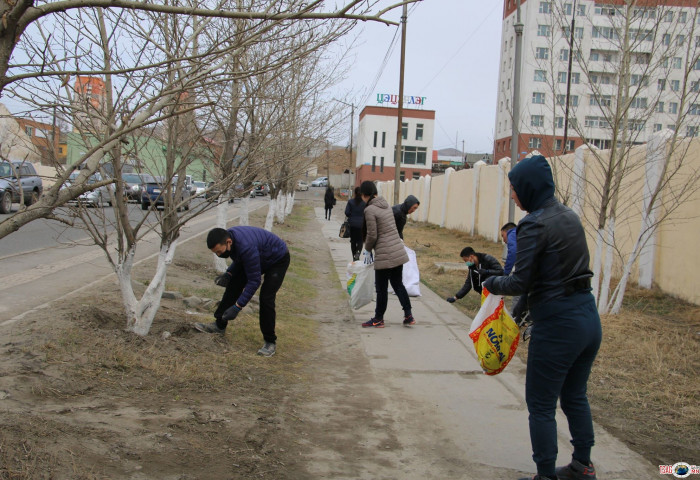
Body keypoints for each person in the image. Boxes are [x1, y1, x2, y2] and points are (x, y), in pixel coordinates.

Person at [482, 155, 602, 480]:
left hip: (559, 326)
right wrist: (518, 315)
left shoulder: (534, 223)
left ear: (528, 187)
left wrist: (489, 281)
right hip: (588, 319)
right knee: (575, 394)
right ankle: (582, 465)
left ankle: (545, 475)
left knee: (541, 404)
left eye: (514, 188)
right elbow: (546, 276)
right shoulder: (569, 217)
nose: (512, 194)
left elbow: (520, 280)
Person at [194, 226, 290, 357]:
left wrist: (238, 306)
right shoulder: (231, 239)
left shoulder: (246, 246)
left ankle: (270, 341)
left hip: (277, 260)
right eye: (216, 252)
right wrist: (229, 273)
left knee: (266, 298)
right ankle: (219, 325)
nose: (219, 255)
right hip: (259, 255)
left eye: (219, 251)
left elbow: (254, 281)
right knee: (233, 285)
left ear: (228, 242)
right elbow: (240, 259)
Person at [359, 180, 415, 328]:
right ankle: (408, 315)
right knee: (398, 284)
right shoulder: (386, 206)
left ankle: (378, 318)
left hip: (385, 253)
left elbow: (372, 234)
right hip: (397, 250)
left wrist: (367, 249)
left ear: (365, 195)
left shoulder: (370, 210)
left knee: (381, 288)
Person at [344, 186, 366, 261]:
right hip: (361, 225)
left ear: (355, 193)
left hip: (352, 225)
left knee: (353, 241)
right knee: (360, 240)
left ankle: (354, 257)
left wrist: (352, 215)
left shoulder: (350, 202)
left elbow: (347, 213)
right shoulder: (364, 203)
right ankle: (358, 253)